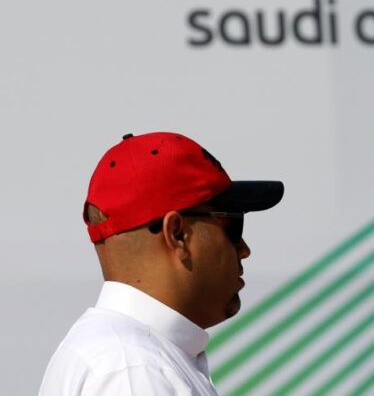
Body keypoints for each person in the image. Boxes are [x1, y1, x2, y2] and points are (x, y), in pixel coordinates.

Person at [39, 132, 284, 395]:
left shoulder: (124, 356)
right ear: (177, 234)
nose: (244, 250)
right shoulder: (134, 370)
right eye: (234, 226)